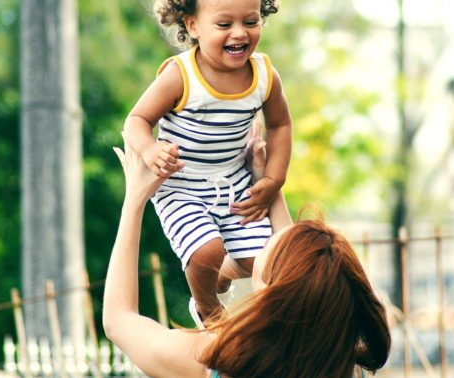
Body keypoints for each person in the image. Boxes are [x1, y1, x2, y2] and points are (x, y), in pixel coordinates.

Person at [122, 0, 292, 324]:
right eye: (224, 24)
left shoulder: (264, 75)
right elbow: (136, 120)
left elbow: (281, 126)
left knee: (262, 261)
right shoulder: (181, 76)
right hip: (182, 186)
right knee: (206, 252)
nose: (240, 33)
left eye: (251, 21)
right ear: (192, 25)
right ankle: (208, 311)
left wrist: (272, 181)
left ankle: (221, 276)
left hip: (233, 181)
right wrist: (150, 148)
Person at [103, 142, 391, 378]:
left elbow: (119, 320)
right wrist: (264, 181)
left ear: (271, 293)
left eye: (263, 253)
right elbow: (298, 272)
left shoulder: (214, 362)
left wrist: (135, 198)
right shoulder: (348, 368)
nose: (258, 248)